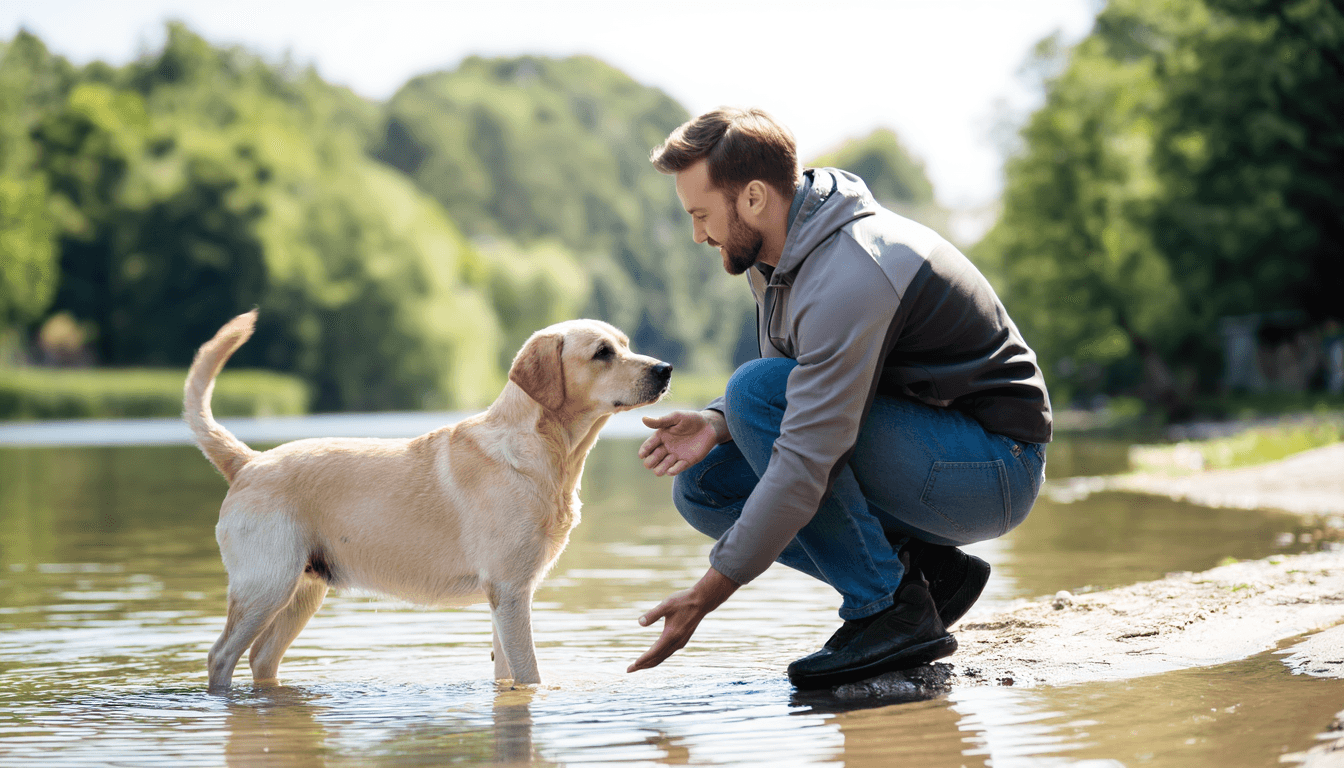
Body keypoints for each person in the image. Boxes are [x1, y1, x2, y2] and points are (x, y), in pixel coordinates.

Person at [626, 108, 1051, 689]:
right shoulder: (779, 253)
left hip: (996, 467)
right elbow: (794, 380)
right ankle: (920, 579)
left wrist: (707, 594)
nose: (698, 235)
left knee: (754, 391)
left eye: (701, 215)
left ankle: (888, 612)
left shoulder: (854, 266)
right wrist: (715, 422)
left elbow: (805, 453)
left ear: (753, 198)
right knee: (705, 484)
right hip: (930, 454)